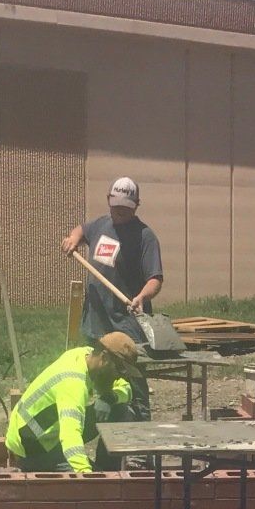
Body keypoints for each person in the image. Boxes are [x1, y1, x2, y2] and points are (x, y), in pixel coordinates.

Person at [62, 176, 163, 418]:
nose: (119, 213)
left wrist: (141, 296)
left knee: (133, 385)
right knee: (100, 383)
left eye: (125, 209)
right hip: (96, 321)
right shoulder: (100, 225)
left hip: (127, 325)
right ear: (108, 201)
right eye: (115, 207)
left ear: (136, 205)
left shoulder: (144, 237)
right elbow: (82, 230)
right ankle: (106, 434)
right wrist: (73, 238)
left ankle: (140, 439)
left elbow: (155, 279)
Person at [4, 333, 142, 474]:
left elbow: (127, 390)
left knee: (119, 409)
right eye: (120, 370)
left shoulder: (86, 355)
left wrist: (109, 398)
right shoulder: (73, 383)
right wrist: (89, 476)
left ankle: (108, 469)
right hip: (33, 445)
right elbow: (70, 435)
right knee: (95, 484)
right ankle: (26, 467)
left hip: (53, 431)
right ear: (104, 358)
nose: (119, 376)